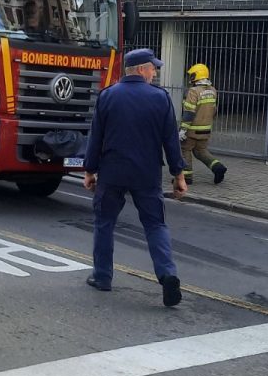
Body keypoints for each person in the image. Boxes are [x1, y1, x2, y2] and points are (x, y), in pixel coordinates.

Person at [83, 48, 188, 307]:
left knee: (105, 223)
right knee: (155, 225)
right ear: (141, 69)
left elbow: (95, 138)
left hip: (112, 173)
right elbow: (171, 141)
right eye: (153, 68)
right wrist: (178, 174)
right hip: (147, 174)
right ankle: (167, 274)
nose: (155, 72)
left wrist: (89, 170)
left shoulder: (107, 96)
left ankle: (103, 276)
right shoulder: (160, 98)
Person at [180, 63, 227, 185]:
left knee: (185, 150)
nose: (190, 77)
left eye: (192, 75)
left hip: (192, 129)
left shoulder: (193, 91)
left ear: (197, 75)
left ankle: (186, 177)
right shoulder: (213, 90)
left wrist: (183, 130)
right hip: (206, 129)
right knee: (200, 151)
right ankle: (218, 167)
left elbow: (189, 112)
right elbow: (214, 110)